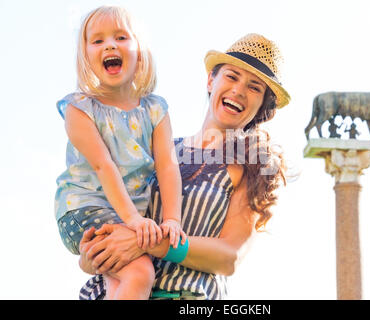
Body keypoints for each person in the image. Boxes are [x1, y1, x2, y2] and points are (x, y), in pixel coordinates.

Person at [77, 33, 291, 300]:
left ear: (262, 105)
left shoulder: (254, 167)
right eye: (232, 76)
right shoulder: (154, 149)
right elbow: (108, 215)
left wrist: (155, 243)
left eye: (254, 87)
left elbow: (229, 257)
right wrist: (91, 255)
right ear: (211, 80)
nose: (239, 90)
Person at [55, 5, 186, 300]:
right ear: (86, 55)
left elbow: (168, 167)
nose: (110, 45)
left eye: (121, 37)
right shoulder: (79, 109)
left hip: (124, 215)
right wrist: (134, 220)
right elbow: (104, 166)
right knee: (140, 272)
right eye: (98, 40)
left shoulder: (155, 109)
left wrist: (172, 220)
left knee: (123, 282)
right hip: (83, 209)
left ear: (140, 51)